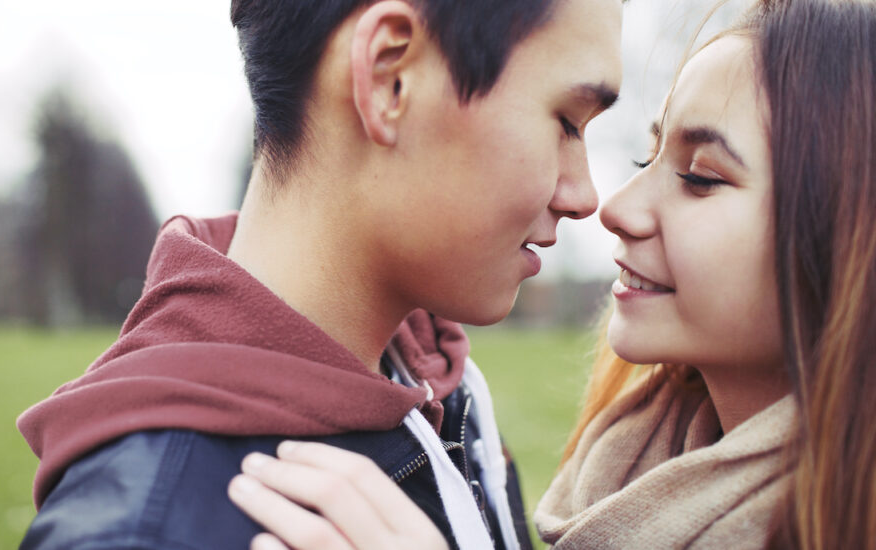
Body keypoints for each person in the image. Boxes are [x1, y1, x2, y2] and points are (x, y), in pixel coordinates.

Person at [226, 0, 876, 548]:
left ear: (850, 233)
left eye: (700, 177)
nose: (613, 206)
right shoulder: (614, 472)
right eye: (646, 156)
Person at [16, 0, 624, 548]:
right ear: (390, 77)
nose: (585, 195)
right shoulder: (139, 534)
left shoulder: (438, 379)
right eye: (567, 122)